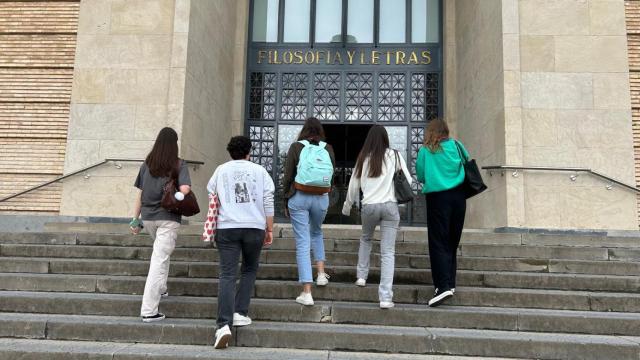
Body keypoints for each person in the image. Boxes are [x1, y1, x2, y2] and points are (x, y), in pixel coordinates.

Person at [206, 135, 275, 349]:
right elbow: (268, 199)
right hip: (254, 226)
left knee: (227, 274)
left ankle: (223, 326)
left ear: (230, 152)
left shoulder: (221, 170)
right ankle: (240, 312)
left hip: (227, 227)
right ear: (249, 151)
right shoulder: (260, 171)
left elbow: (211, 194)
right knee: (249, 269)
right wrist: (269, 228)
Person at [342, 125, 411, 309]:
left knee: (366, 239)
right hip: (390, 206)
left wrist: (347, 207)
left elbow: (353, 185)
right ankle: (385, 298)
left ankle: (362, 277)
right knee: (388, 251)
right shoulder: (395, 155)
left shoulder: (363, 157)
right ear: (386, 138)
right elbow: (409, 180)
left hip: (369, 206)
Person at [130, 127, 192, 323]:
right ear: (174, 144)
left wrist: (135, 219)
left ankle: (162, 288)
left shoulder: (146, 164)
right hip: (168, 218)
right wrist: (178, 195)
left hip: (148, 218)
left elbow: (139, 193)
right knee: (158, 261)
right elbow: (185, 189)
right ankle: (149, 310)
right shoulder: (179, 164)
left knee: (161, 255)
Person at [415, 119, 469, 307]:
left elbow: (421, 175)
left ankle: (442, 286)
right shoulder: (457, 145)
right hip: (459, 197)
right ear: (446, 131)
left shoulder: (425, 151)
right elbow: (467, 162)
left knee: (438, 242)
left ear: (430, 132)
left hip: (438, 199)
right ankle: (450, 283)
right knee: (452, 241)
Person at [282, 117, 336, 306]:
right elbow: (332, 173)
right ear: (320, 131)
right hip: (321, 197)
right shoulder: (327, 148)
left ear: (303, 130)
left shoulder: (296, 147)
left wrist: (285, 199)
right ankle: (321, 274)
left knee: (303, 242)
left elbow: (288, 175)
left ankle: (307, 292)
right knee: (316, 232)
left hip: (299, 196)